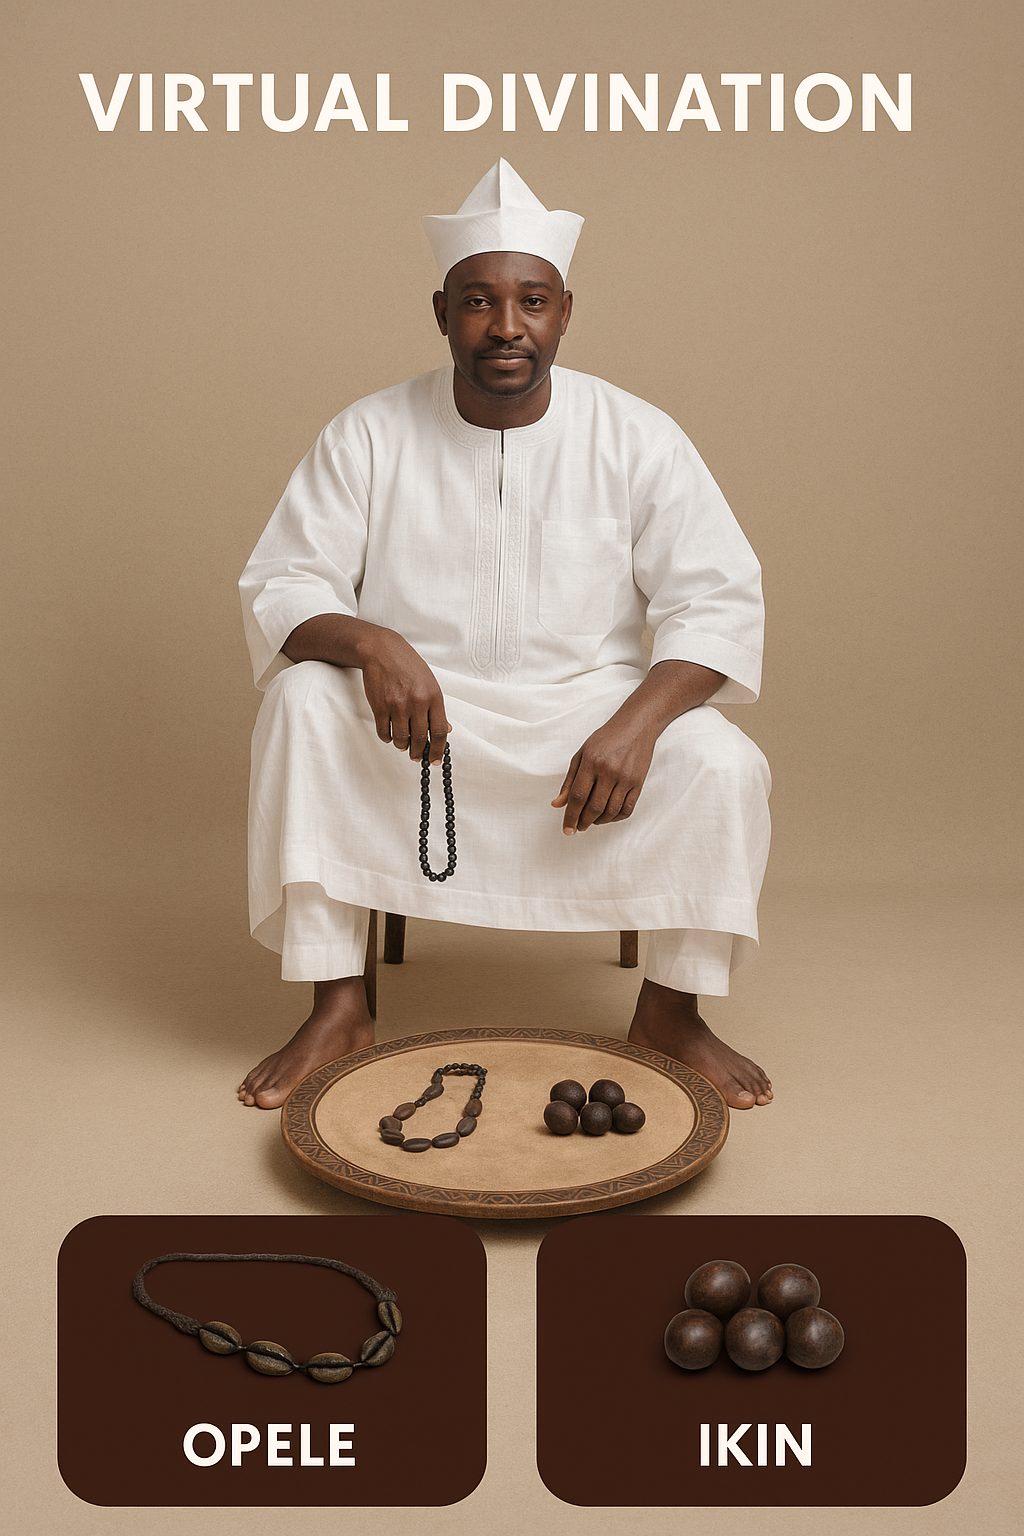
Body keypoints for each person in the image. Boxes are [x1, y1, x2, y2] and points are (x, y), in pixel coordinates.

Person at [237, 160, 773, 1112]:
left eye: (531, 301)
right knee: (301, 700)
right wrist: (372, 644)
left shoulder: (638, 437)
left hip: (588, 724)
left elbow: (718, 603)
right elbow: (285, 582)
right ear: (441, 310)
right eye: (479, 301)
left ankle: (672, 1010)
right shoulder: (366, 434)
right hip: (417, 732)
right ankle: (337, 1001)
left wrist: (637, 723)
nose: (506, 327)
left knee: (725, 763)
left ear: (567, 310)